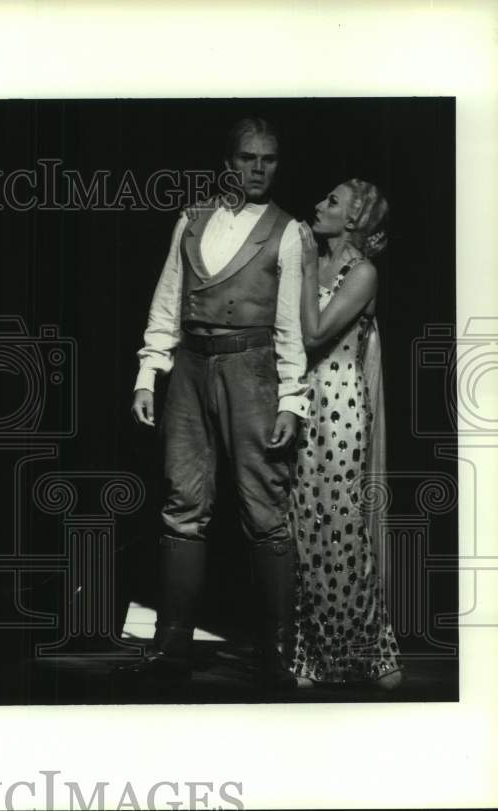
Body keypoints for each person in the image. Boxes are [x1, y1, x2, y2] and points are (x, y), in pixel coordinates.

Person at [122, 117, 310, 689]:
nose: (258, 169)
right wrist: (148, 375)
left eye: (269, 159)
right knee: (183, 502)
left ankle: (276, 653)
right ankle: (171, 644)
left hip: (252, 372)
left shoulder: (289, 232)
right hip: (192, 371)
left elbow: (290, 327)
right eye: (248, 158)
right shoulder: (192, 218)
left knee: (264, 510)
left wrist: (290, 400)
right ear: (229, 162)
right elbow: (166, 302)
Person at [295, 180, 402, 689]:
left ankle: (374, 655)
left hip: (340, 408)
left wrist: (296, 271)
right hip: (299, 405)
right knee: (302, 531)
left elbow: (314, 335)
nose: (318, 204)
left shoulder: (362, 273)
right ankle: (309, 655)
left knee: (342, 532)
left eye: (332, 201)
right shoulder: (309, 262)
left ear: (355, 220)